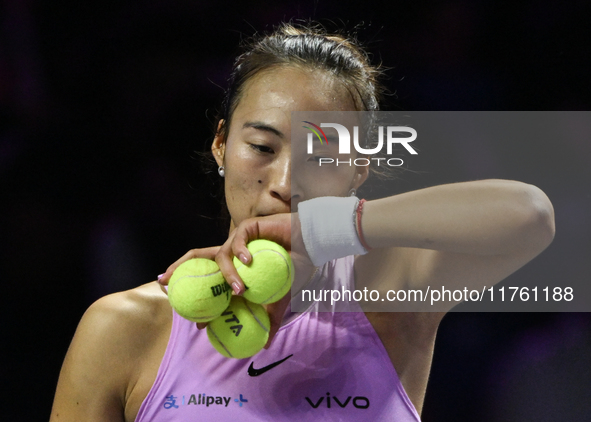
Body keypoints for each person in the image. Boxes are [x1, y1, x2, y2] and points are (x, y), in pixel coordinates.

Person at [50, 23, 555, 421]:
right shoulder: (123, 328)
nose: (286, 182)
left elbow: (530, 214)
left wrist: (326, 229)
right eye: (262, 147)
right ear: (221, 143)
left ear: (360, 168)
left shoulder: (391, 298)